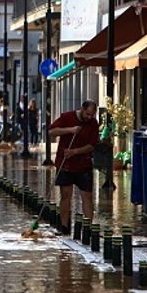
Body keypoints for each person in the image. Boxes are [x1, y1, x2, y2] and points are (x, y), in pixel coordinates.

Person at [49, 99, 100, 235]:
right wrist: (70, 130)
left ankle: (88, 228)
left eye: (92, 115)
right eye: (88, 114)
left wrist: (75, 152)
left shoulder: (93, 124)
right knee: (66, 195)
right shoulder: (67, 117)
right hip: (65, 164)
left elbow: (92, 145)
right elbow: (52, 132)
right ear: (82, 109)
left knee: (87, 196)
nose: (89, 117)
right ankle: (64, 227)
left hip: (83, 164)